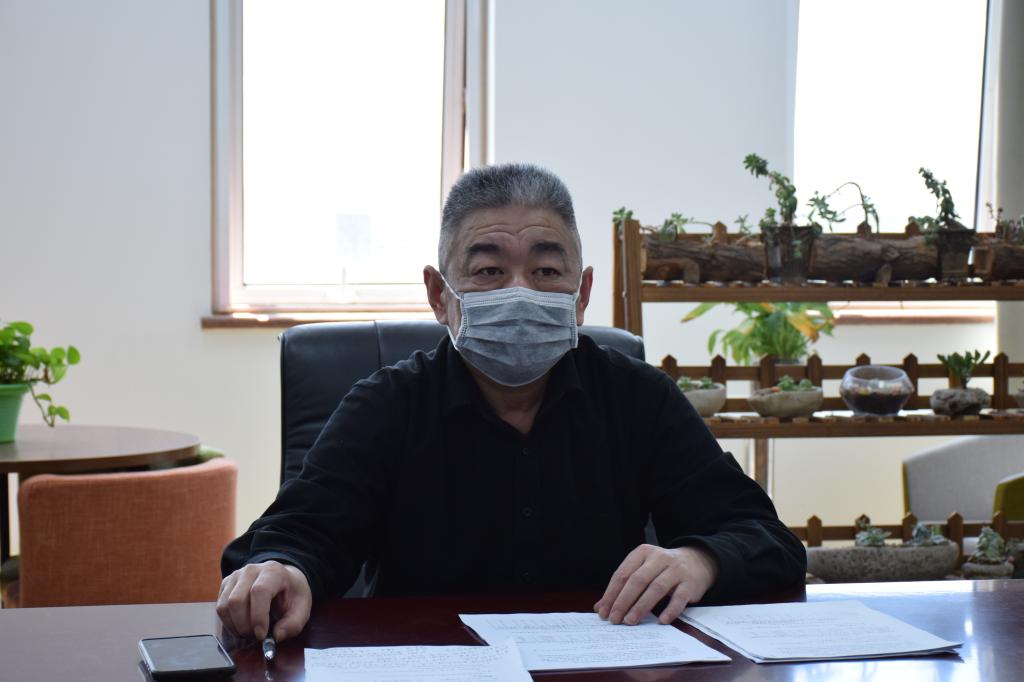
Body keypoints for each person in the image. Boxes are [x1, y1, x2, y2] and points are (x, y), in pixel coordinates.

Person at [217, 163, 806, 643]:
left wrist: (701, 560)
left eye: (547, 270)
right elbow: (298, 534)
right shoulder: (387, 405)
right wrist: (283, 569)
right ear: (439, 295)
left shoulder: (637, 397)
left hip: (602, 663)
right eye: (489, 270)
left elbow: (765, 538)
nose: (520, 292)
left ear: (582, 294)